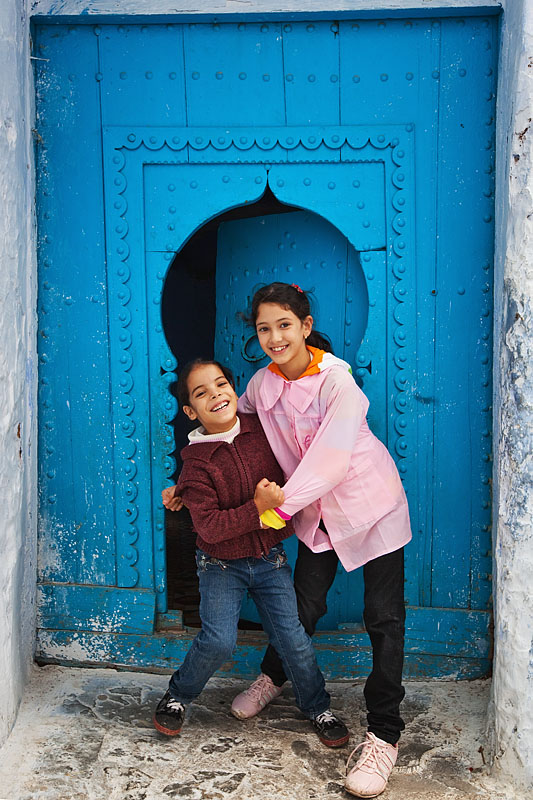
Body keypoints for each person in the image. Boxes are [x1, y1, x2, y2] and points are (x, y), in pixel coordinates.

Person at [230, 282, 412, 799]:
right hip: (316, 514)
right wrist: (195, 468)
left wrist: (275, 509)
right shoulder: (262, 385)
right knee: (300, 605)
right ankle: (273, 677)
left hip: (370, 506)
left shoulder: (339, 385)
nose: (273, 337)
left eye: (284, 325)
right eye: (264, 328)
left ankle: (383, 734)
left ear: (306, 327)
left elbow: (331, 461)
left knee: (384, 617)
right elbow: (235, 422)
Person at [155, 358, 349, 749]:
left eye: (221, 384)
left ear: (234, 389)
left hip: (269, 559)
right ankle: (177, 696)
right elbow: (209, 527)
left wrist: (270, 513)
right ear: (191, 411)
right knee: (219, 640)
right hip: (220, 565)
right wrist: (258, 511)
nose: (216, 395)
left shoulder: (262, 430)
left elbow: (291, 473)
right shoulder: (194, 465)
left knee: (292, 638)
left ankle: (317, 706)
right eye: (201, 393)